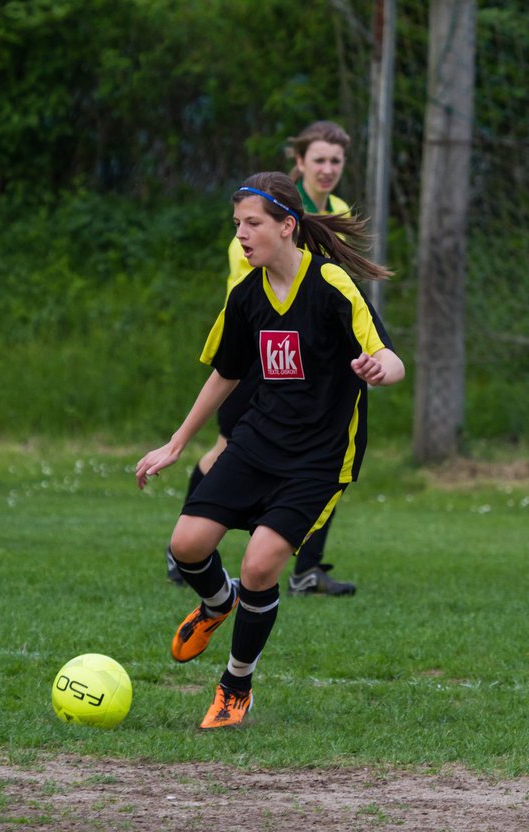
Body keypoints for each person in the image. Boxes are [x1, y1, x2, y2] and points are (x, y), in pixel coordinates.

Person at [137, 172, 404, 728]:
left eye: (252, 223)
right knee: (186, 544)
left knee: (259, 566)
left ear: (287, 225)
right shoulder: (246, 296)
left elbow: (390, 357)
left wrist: (379, 370)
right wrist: (177, 441)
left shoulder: (331, 284)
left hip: (320, 458)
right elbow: (226, 373)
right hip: (258, 441)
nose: (242, 234)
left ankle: (236, 683)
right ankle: (216, 604)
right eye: (237, 224)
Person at [167, 120, 361, 596]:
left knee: (322, 447)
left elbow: (329, 285)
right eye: (319, 159)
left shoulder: (334, 211)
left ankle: (302, 567)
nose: (328, 169)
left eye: (336, 160)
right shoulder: (265, 208)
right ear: (299, 163)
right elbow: (256, 281)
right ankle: (188, 550)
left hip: (307, 354)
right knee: (227, 446)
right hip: (260, 348)